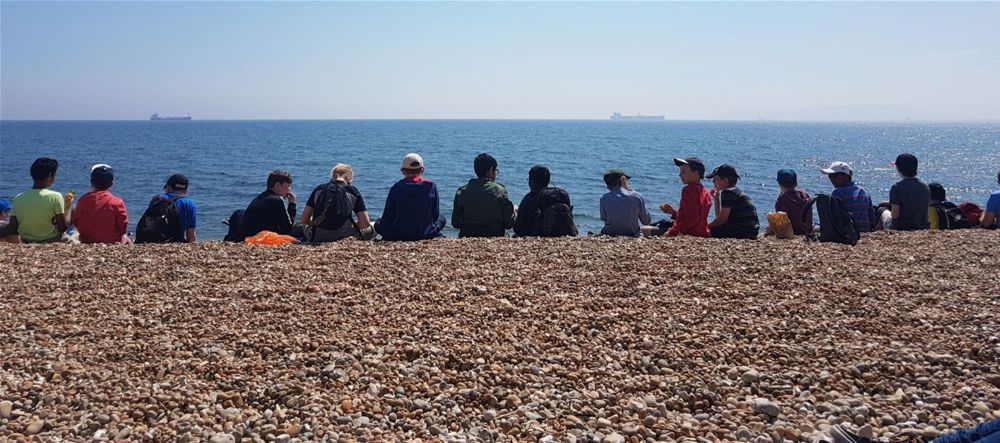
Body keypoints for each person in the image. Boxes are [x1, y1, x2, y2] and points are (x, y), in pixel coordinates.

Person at [0, 157, 75, 243]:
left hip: (26, 241)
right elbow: (63, 228)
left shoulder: (18, 198)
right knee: (77, 244)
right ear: (50, 175)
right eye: (55, 175)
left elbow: (13, 228)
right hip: (52, 240)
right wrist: (68, 205)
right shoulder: (56, 196)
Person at [375, 153, 447, 241]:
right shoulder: (431, 186)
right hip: (424, 233)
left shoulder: (396, 188)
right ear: (422, 170)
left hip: (398, 234)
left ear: (402, 171)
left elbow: (388, 216)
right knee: (441, 218)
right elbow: (435, 215)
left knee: (378, 224)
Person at [299, 163, 374, 242]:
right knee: (373, 226)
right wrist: (352, 224)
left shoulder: (319, 189)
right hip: (346, 235)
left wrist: (318, 221)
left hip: (318, 236)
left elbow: (304, 220)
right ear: (350, 180)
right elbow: (364, 224)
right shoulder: (353, 192)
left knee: (302, 226)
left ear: (331, 178)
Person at [452, 153, 515, 238]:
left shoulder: (462, 191)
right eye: (495, 171)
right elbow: (509, 224)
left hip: (467, 236)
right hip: (495, 236)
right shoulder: (500, 190)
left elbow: (455, 223)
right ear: (491, 170)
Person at [512, 165, 574, 237]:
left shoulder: (529, 199)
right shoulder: (561, 195)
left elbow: (518, 229)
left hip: (537, 235)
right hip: (564, 234)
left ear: (531, 182)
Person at [73, 164, 129, 244]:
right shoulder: (117, 202)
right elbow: (123, 227)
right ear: (111, 184)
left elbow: (76, 222)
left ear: (92, 183)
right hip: (112, 241)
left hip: (86, 241)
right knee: (126, 238)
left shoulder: (82, 201)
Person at [661, 157, 711, 238]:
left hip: (690, 233)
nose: (680, 174)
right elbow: (696, 215)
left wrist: (672, 232)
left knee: (645, 230)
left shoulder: (688, 190)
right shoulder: (706, 192)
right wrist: (673, 213)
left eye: (683, 172)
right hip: (702, 232)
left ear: (695, 174)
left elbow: (693, 218)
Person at [707, 164, 760, 239]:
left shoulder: (728, 193)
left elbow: (722, 220)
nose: (713, 182)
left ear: (725, 181)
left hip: (741, 230)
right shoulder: (735, 192)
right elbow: (720, 217)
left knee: (707, 231)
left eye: (715, 179)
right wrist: (716, 199)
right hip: (751, 230)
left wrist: (707, 226)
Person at [140, 174, 197, 243]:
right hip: (175, 241)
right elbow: (191, 235)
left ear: (168, 188)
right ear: (186, 190)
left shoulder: (156, 199)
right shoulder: (189, 203)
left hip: (149, 240)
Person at [821, 161, 875, 233]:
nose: (831, 179)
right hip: (865, 229)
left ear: (845, 176)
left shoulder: (837, 193)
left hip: (847, 231)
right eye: (830, 176)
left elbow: (833, 217)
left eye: (834, 176)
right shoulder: (864, 191)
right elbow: (872, 217)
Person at [242, 170, 297, 237]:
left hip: (248, 234)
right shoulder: (277, 200)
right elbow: (288, 228)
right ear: (278, 185)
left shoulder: (261, 197)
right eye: (288, 186)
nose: (289, 189)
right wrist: (292, 204)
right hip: (258, 238)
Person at [599, 168, 651, 237]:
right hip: (632, 234)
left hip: (609, 233)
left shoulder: (604, 199)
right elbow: (646, 221)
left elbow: (604, 218)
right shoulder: (636, 196)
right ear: (623, 179)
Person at [887, 153, 930, 231]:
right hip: (922, 226)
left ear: (898, 169)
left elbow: (895, 215)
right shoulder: (924, 187)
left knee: (882, 211)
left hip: (901, 227)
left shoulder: (896, 188)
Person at [764, 169, 813, 236]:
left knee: (768, 229)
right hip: (807, 230)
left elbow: (780, 220)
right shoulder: (804, 195)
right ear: (795, 183)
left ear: (779, 184)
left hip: (793, 232)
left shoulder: (782, 199)